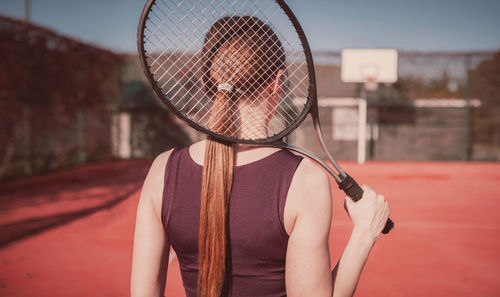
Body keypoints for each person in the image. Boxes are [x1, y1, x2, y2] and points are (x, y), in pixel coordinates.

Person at [131, 16, 390, 297]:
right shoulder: (304, 180)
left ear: (209, 82)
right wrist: (365, 232)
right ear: (277, 83)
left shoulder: (162, 170)